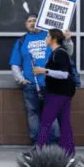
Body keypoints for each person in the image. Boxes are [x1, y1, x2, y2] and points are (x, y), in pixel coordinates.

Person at [10, 15, 72, 146]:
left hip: (51, 84)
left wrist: (69, 41)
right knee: (33, 114)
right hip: (30, 85)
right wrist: (21, 80)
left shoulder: (50, 37)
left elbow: (67, 53)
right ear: (26, 24)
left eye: (35, 21)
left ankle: (53, 143)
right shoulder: (21, 41)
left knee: (52, 114)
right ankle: (37, 144)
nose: (32, 23)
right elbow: (15, 64)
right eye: (29, 21)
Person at [32, 29, 77, 158]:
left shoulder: (59, 53)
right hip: (63, 93)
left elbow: (64, 74)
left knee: (46, 122)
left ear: (54, 39)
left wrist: (44, 71)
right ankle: (68, 154)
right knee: (64, 124)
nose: (46, 38)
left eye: (47, 36)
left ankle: (37, 151)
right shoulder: (56, 53)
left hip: (58, 94)